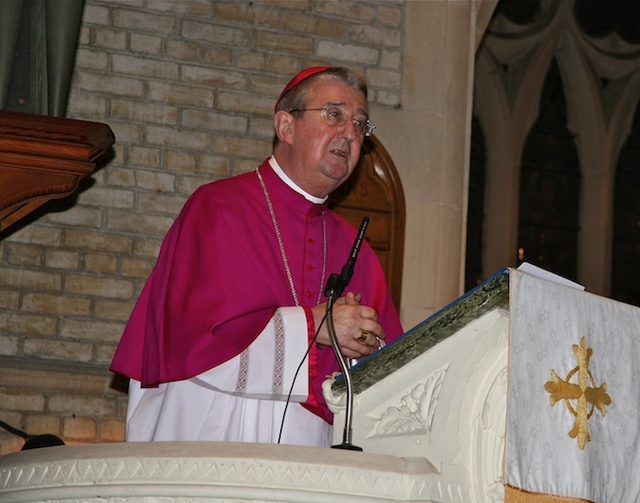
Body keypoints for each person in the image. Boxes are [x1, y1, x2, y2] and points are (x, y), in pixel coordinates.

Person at [110, 66, 404, 448]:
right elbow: (191, 339)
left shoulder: (356, 248)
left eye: (360, 123)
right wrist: (317, 325)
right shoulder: (218, 209)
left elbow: (391, 372)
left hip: (309, 450)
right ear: (286, 126)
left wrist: (362, 343)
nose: (350, 133)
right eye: (334, 115)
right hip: (214, 436)